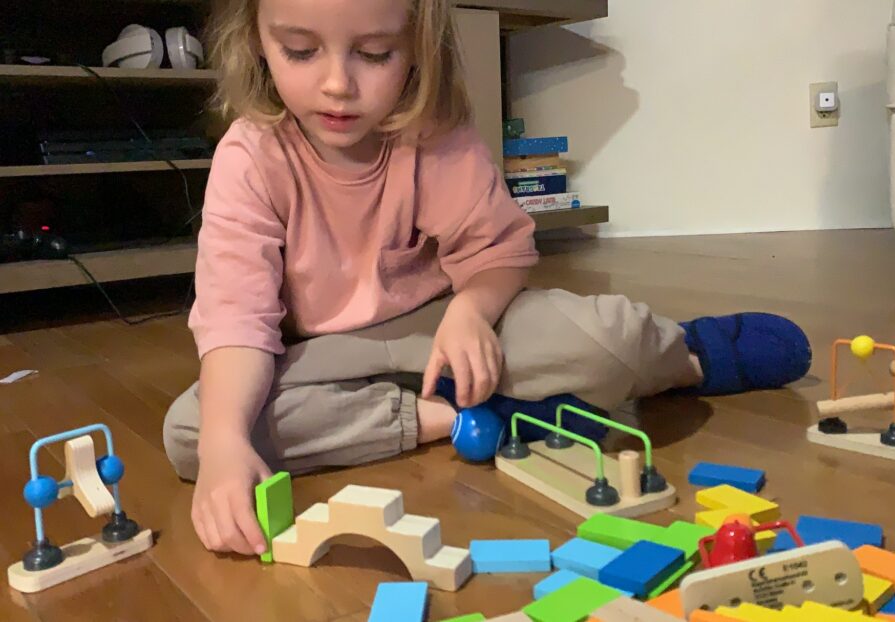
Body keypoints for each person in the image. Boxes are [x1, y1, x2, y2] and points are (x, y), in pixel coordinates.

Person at [163, 0, 812, 558]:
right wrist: (226, 443)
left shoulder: (434, 136)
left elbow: (496, 254)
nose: (337, 84)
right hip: (323, 356)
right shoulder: (250, 156)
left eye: (375, 53)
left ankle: (691, 356)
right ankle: (468, 417)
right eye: (301, 50)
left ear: (418, 44)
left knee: (606, 337)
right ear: (256, 39)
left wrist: (471, 311)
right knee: (196, 434)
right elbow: (236, 321)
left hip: (445, 324)